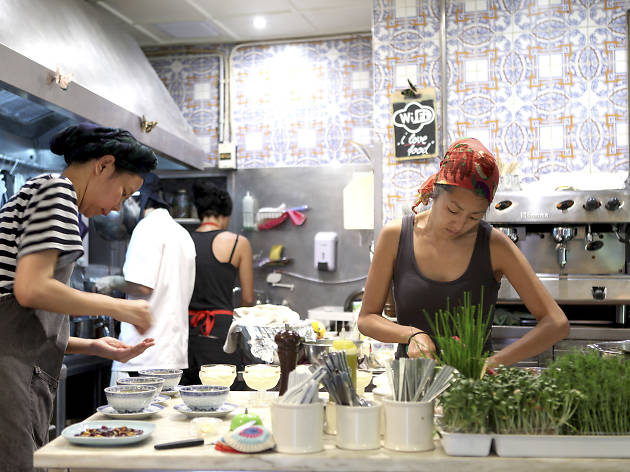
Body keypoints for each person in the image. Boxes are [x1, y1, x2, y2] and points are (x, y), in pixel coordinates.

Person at [0, 123, 157, 471]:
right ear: (103, 165)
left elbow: (21, 312)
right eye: (123, 192)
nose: (118, 207)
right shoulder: (58, 191)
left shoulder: (45, 192)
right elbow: (31, 289)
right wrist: (121, 306)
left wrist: (91, 346)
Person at [357, 137, 569, 367]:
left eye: (474, 217)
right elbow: (367, 318)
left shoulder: (495, 245)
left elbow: (556, 322)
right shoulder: (395, 236)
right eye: (453, 210)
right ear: (436, 192)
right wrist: (411, 334)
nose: (459, 225)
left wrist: (495, 361)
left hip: (471, 390)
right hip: (411, 386)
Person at [95, 173, 196, 383]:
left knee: (126, 417)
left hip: (141, 358)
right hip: (172, 357)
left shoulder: (146, 228)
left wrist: (112, 282)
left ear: (133, 200)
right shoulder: (181, 232)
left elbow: (141, 286)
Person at [180, 182, 254, 386]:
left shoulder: (183, 240)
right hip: (221, 336)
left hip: (184, 335)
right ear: (225, 215)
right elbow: (247, 299)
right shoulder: (238, 243)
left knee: (185, 403)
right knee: (225, 400)